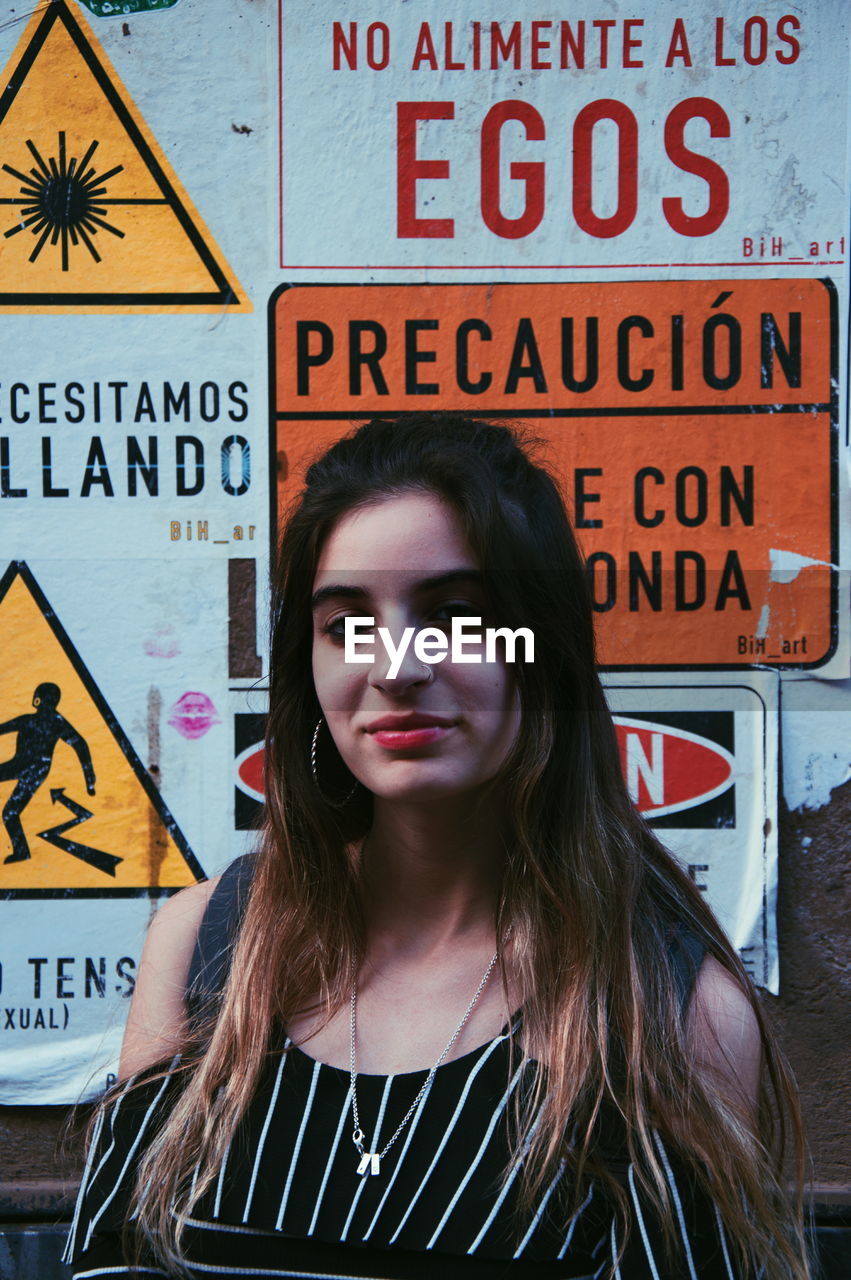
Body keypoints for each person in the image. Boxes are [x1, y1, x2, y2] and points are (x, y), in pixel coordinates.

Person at [64, 414, 809, 1280]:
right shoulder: (205, 952)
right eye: (346, 623)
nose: (395, 667)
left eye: (456, 615)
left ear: (543, 646)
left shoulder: (667, 1019)